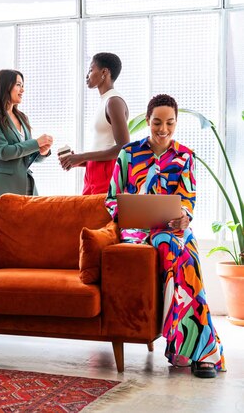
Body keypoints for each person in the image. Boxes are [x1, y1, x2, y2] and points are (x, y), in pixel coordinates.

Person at [105, 94, 225, 378]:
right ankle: (196, 349)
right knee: (170, 246)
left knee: (182, 249)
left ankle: (193, 347)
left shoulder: (185, 156)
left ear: (176, 122)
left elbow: (188, 202)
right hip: (137, 231)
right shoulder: (128, 154)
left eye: (170, 123)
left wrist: (184, 216)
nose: (163, 129)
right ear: (147, 121)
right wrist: (124, 214)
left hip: (172, 230)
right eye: (157, 122)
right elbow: (111, 198)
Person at [59, 52, 129, 195]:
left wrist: (82, 156)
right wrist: (77, 160)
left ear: (104, 72)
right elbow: (103, 146)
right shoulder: (105, 101)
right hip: (93, 171)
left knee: (100, 216)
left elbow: (123, 148)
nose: (87, 75)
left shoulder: (114, 101)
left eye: (91, 70)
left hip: (106, 173)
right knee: (86, 216)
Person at [0, 69, 54, 197]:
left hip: (27, 187)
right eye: (18, 85)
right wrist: (36, 143)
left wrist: (41, 152)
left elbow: (25, 156)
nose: (22, 90)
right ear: (5, 86)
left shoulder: (23, 118)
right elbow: (3, 152)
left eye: (23, 85)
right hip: (2, 188)